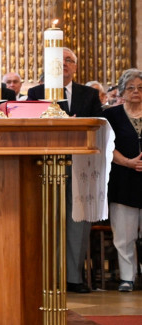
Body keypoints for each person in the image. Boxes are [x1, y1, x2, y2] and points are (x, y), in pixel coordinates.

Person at [27, 47, 103, 294]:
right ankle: (46, 275)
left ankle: (73, 277)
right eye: (59, 61)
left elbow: (100, 125)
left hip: (80, 163)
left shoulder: (89, 94)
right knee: (46, 217)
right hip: (45, 162)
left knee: (77, 220)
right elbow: (28, 125)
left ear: (76, 67)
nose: (64, 64)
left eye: (69, 60)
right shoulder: (36, 93)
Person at [103, 69, 142, 293]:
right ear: (122, 91)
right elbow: (107, 145)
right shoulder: (111, 116)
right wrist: (127, 162)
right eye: (131, 88)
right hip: (122, 179)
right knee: (124, 235)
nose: (136, 91)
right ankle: (127, 277)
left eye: (140, 88)